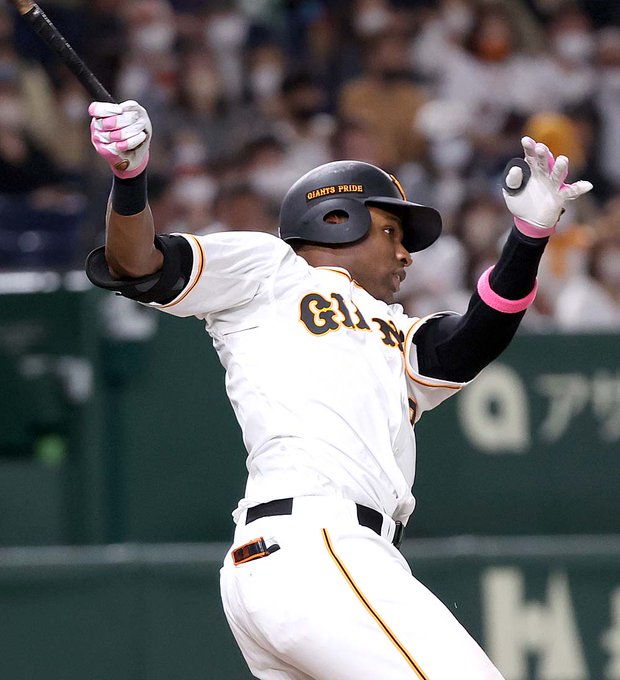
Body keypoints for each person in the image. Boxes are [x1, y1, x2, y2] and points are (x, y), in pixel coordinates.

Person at [85, 98, 592, 679]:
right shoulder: (275, 270)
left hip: (300, 563)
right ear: (335, 219)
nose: (405, 253)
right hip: (318, 543)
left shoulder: (396, 331)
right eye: (391, 231)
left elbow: (478, 336)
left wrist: (528, 238)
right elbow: (138, 263)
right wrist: (130, 178)